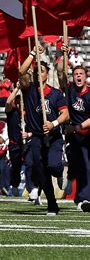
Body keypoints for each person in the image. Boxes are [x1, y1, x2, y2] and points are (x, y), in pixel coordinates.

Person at [19, 43, 69, 215]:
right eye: (36, 70)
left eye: (42, 70)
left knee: (54, 166)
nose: (38, 73)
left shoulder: (55, 94)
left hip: (53, 136)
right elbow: (21, 72)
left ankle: (60, 172)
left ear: (47, 74)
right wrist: (33, 52)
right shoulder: (29, 90)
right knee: (42, 172)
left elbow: (65, 114)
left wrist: (53, 123)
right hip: (37, 138)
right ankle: (52, 204)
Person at [56, 48, 90, 212]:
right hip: (73, 137)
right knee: (78, 166)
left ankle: (84, 198)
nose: (78, 76)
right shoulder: (69, 90)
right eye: (76, 74)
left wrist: (78, 126)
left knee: (87, 167)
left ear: (86, 76)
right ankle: (78, 191)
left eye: (81, 74)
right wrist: (64, 56)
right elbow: (61, 73)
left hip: (86, 135)